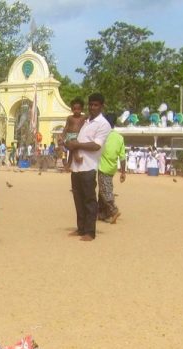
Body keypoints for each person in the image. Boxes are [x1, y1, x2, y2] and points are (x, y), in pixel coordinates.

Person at [65, 93, 111, 241]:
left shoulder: (103, 124)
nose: (92, 107)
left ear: (102, 106)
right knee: (78, 199)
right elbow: (73, 136)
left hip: (89, 167)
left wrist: (77, 144)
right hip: (77, 167)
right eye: (91, 104)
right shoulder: (86, 121)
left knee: (89, 200)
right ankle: (81, 228)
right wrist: (69, 144)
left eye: (96, 105)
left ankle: (90, 232)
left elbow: (96, 145)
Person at [98, 113, 126, 224]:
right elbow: (123, 157)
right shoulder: (119, 137)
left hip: (103, 168)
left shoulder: (102, 135)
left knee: (105, 191)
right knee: (102, 190)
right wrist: (123, 172)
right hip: (112, 168)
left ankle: (113, 210)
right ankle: (102, 213)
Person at [61, 97, 87, 170]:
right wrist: (63, 136)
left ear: (82, 109)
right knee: (71, 148)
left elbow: (90, 117)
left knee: (72, 151)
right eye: (74, 109)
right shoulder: (70, 118)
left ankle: (68, 165)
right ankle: (76, 158)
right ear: (72, 109)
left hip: (78, 136)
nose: (76, 111)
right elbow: (66, 127)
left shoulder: (83, 117)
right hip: (70, 136)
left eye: (78, 109)